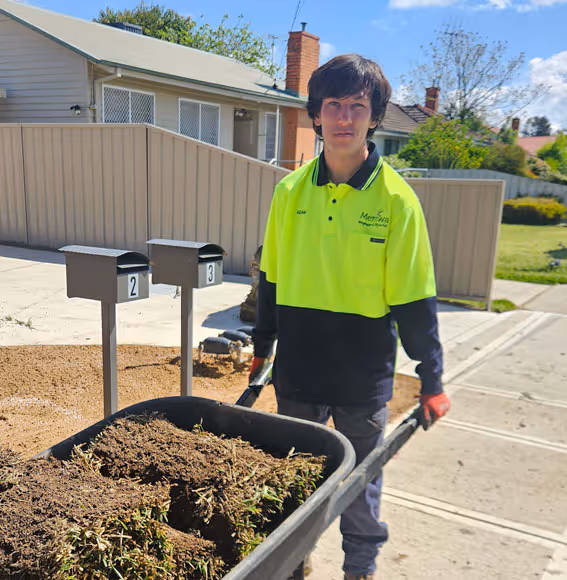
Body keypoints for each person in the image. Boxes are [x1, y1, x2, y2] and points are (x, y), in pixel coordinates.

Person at [250, 54, 451, 580]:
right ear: (315, 114)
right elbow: (269, 280)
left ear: (374, 116)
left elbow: (415, 301)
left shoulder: (396, 201)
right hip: (297, 369)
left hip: (362, 377)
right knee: (293, 478)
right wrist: (261, 350)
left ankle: (359, 570)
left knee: (359, 485)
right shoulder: (288, 192)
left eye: (357, 106)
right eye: (333, 105)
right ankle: (292, 564)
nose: (344, 117)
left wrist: (432, 378)